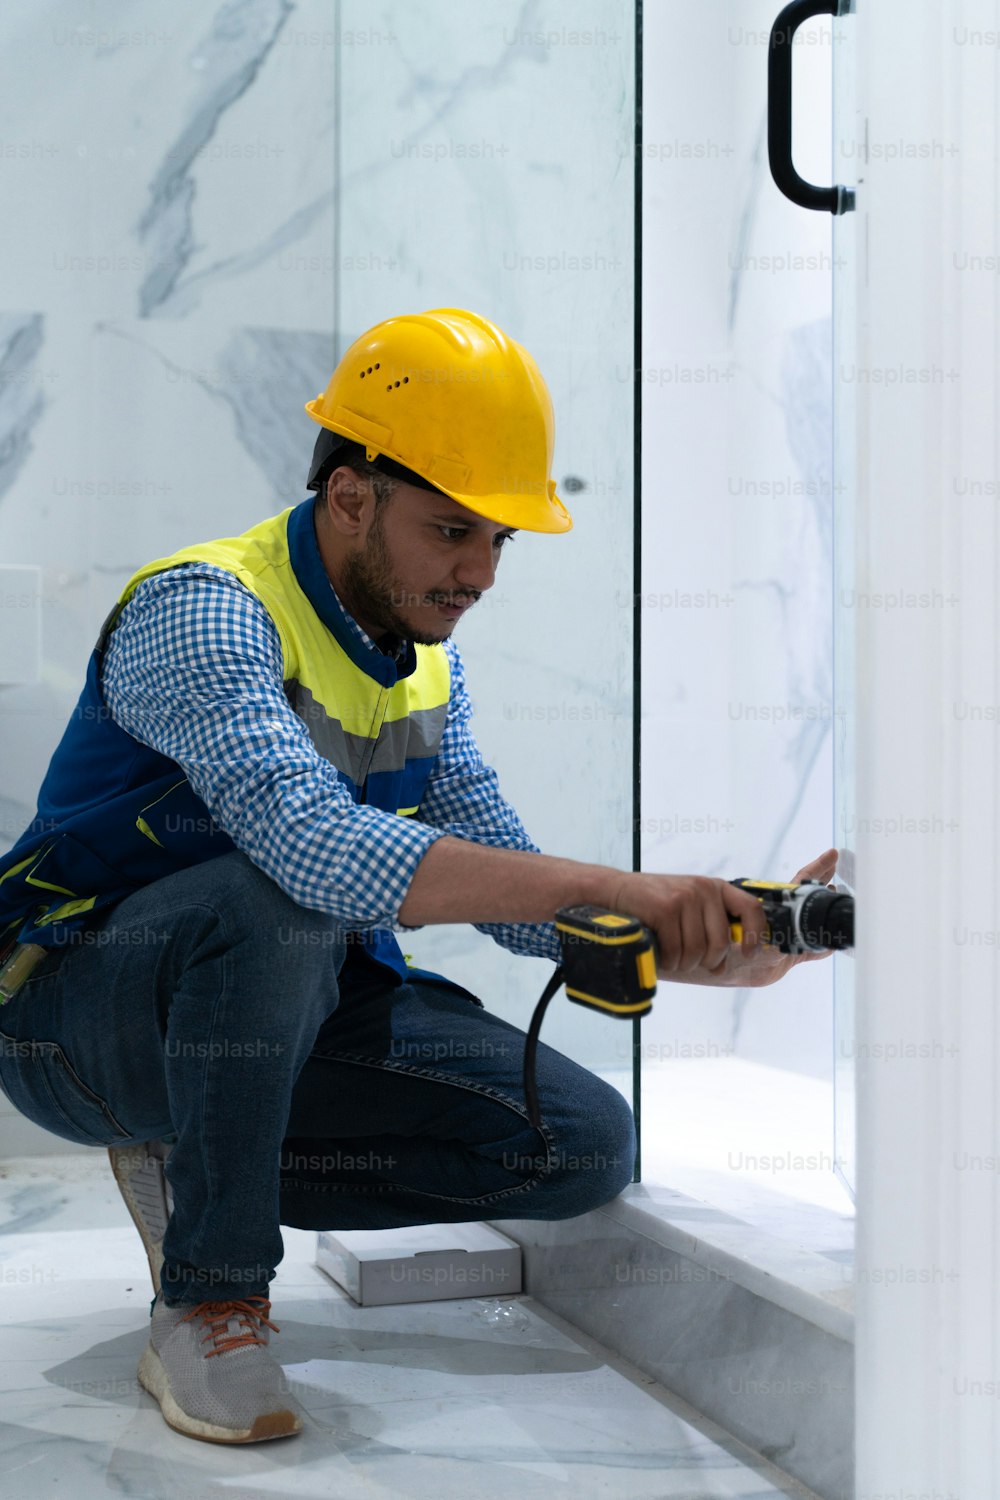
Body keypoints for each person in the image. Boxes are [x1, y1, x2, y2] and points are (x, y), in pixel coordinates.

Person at [0, 307, 836, 1445]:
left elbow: (514, 880)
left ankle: (199, 1156)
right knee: (276, 894)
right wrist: (622, 891)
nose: (481, 572)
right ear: (352, 496)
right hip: (73, 1016)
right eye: (454, 532)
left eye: (500, 540)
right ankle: (211, 1298)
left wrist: (699, 947)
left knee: (578, 1138)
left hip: (281, 1011)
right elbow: (315, 849)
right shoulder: (204, 613)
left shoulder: (419, 667)